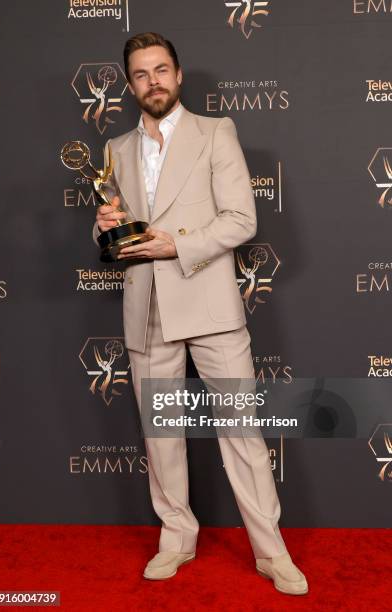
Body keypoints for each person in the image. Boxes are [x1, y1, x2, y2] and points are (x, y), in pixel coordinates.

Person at [92, 32, 308, 595]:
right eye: (141, 74)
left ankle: (271, 550)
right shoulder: (115, 148)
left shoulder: (216, 132)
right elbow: (120, 231)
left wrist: (175, 245)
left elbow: (241, 219)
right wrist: (106, 228)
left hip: (209, 304)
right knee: (161, 435)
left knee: (242, 432)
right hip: (148, 310)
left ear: (179, 74)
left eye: (161, 70)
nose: (153, 81)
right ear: (130, 84)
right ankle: (176, 537)